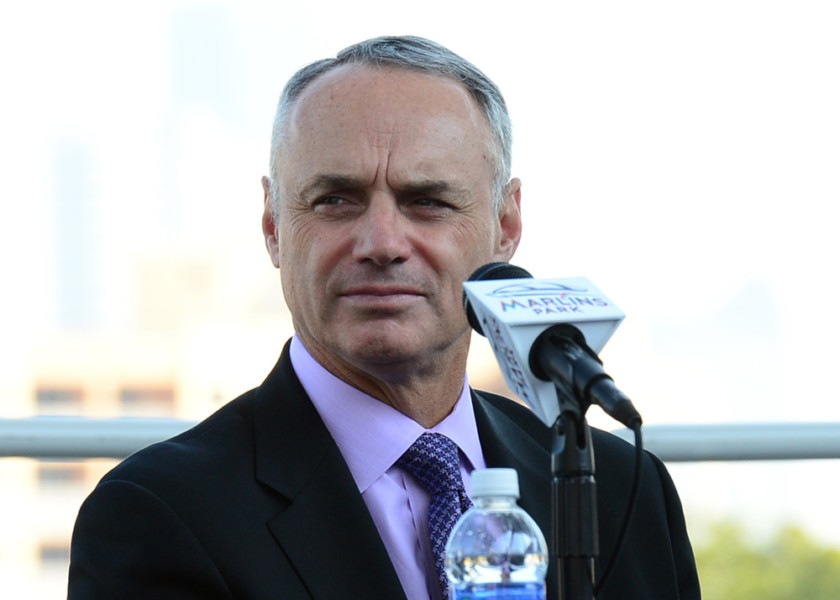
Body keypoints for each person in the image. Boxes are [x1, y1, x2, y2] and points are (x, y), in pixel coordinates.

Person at [68, 36, 701, 600]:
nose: (382, 242)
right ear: (273, 227)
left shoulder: (621, 491)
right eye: (335, 199)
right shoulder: (160, 515)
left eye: (427, 202)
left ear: (504, 226)